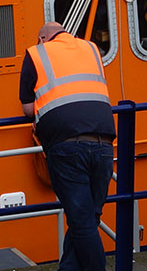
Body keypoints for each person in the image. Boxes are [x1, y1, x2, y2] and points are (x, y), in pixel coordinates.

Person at [20, 22, 115, 271]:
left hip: (66, 145)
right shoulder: (92, 49)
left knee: (81, 221)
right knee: (89, 217)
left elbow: (28, 108)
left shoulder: (36, 54)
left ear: (42, 38)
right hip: (104, 141)